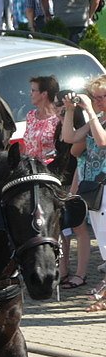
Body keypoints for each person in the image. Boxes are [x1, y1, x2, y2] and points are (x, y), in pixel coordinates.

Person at [60, 76, 106, 288]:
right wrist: (70, 110)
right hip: (94, 188)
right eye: (96, 97)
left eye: (103, 97)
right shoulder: (97, 119)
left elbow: (102, 141)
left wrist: (89, 111)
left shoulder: (96, 120)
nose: (98, 101)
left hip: (103, 185)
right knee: (102, 238)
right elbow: (69, 138)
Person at [23, 75, 60, 163]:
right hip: (32, 168)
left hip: (51, 169)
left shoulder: (58, 118)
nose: (30, 94)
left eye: (33, 90)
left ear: (44, 94)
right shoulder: (30, 116)